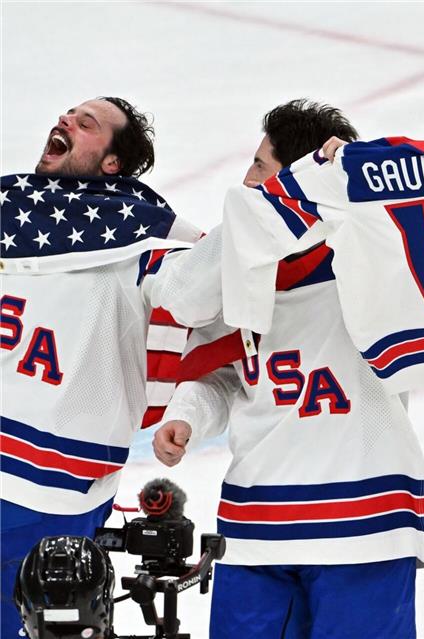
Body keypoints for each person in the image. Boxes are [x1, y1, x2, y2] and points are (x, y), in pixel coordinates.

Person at [152, 99, 424, 639]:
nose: (247, 179)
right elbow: (194, 317)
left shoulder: (370, 253)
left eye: (262, 168)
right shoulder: (238, 270)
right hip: (257, 522)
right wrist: (189, 413)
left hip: (365, 520)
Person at [0, 97, 207, 638]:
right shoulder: (10, 206)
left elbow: (201, 290)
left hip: (50, 491)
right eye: (67, 114)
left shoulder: (143, 236)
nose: (65, 120)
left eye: (85, 123)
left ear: (112, 163)